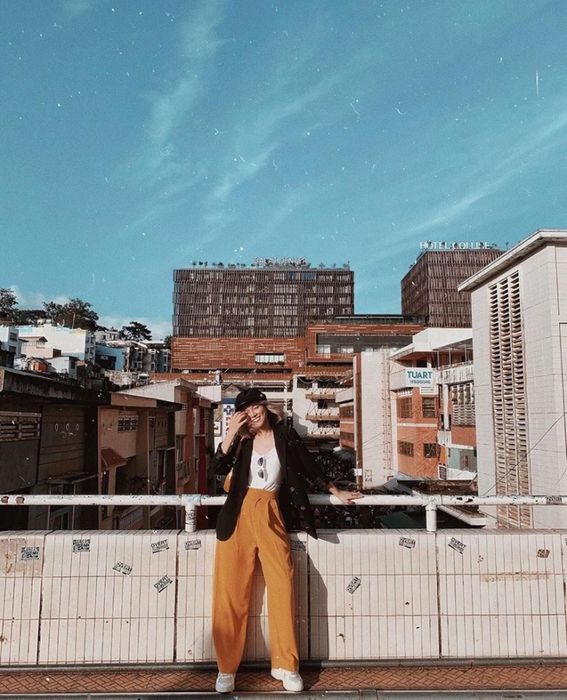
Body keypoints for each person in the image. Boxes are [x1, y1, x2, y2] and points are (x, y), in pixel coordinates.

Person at [210, 388, 362, 693]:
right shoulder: (241, 441)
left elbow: (309, 466)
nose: (252, 414)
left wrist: (335, 491)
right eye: (245, 411)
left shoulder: (285, 436)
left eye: (255, 407)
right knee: (230, 592)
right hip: (237, 516)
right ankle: (226, 668)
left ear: (265, 406)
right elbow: (216, 470)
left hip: (271, 512)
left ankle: (285, 664)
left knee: (282, 586)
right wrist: (230, 434)